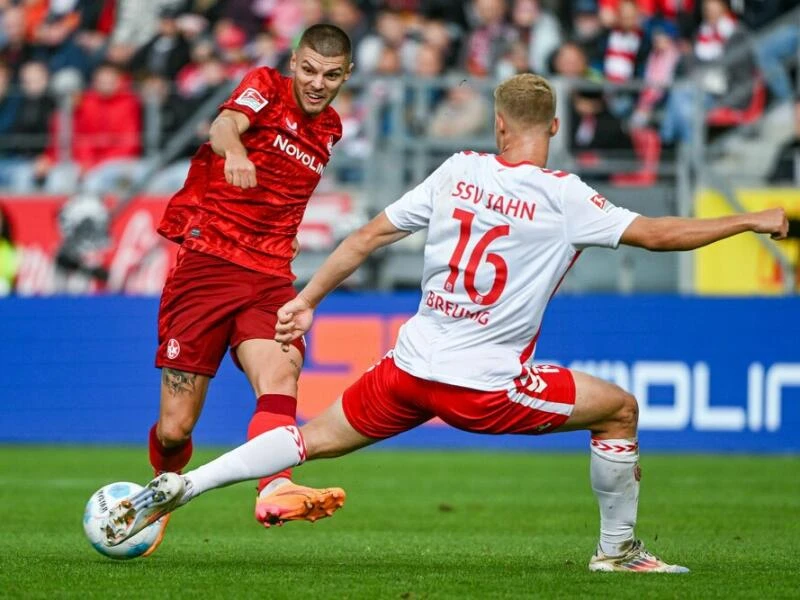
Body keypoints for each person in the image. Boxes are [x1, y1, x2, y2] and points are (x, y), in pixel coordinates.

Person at [102, 73, 788, 572]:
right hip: (483, 385)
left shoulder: (457, 171)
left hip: (407, 369)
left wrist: (308, 297)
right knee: (619, 411)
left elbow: (368, 236)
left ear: (496, 126)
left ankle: (180, 487)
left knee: (306, 439)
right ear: (553, 128)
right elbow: (661, 233)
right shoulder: (566, 197)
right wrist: (751, 218)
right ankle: (617, 553)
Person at [138, 23, 353, 556]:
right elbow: (224, 125)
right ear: (292, 62)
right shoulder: (265, 87)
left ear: (347, 75)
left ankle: (273, 487)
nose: (316, 83)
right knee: (173, 428)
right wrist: (233, 152)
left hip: (271, 277)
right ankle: (159, 497)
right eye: (307, 69)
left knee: (282, 371)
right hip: (208, 266)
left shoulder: (330, 128)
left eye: (330, 75)